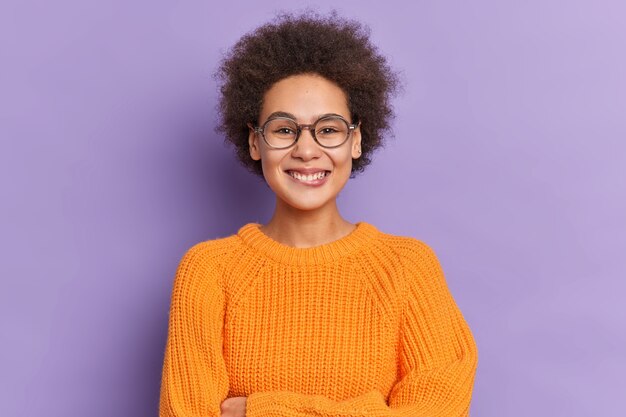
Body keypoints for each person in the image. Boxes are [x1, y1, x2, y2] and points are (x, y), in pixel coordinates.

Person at [159, 10, 478, 417]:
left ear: (356, 140)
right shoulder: (208, 271)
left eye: (328, 129)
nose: (307, 150)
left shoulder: (408, 268)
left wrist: (263, 410)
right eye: (284, 129)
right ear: (256, 143)